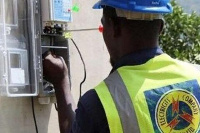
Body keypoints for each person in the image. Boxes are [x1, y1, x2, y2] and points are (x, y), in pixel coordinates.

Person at [43, 0, 200, 133]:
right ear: (161, 27)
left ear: (114, 27)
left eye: (103, 25)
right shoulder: (197, 75)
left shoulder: (99, 103)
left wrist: (61, 82)